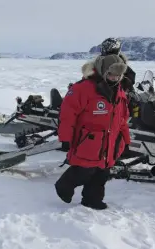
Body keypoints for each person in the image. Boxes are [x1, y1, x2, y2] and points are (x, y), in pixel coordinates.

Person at [55, 54, 131, 210]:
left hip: (110, 142)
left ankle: (92, 200)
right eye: (111, 74)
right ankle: (63, 186)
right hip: (88, 141)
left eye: (118, 75)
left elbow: (123, 119)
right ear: (103, 71)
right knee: (83, 170)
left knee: (101, 173)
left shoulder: (120, 92)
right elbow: (67, 115)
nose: (115, 78)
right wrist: (65, 138)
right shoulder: (83, 88)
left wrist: (126, 141)